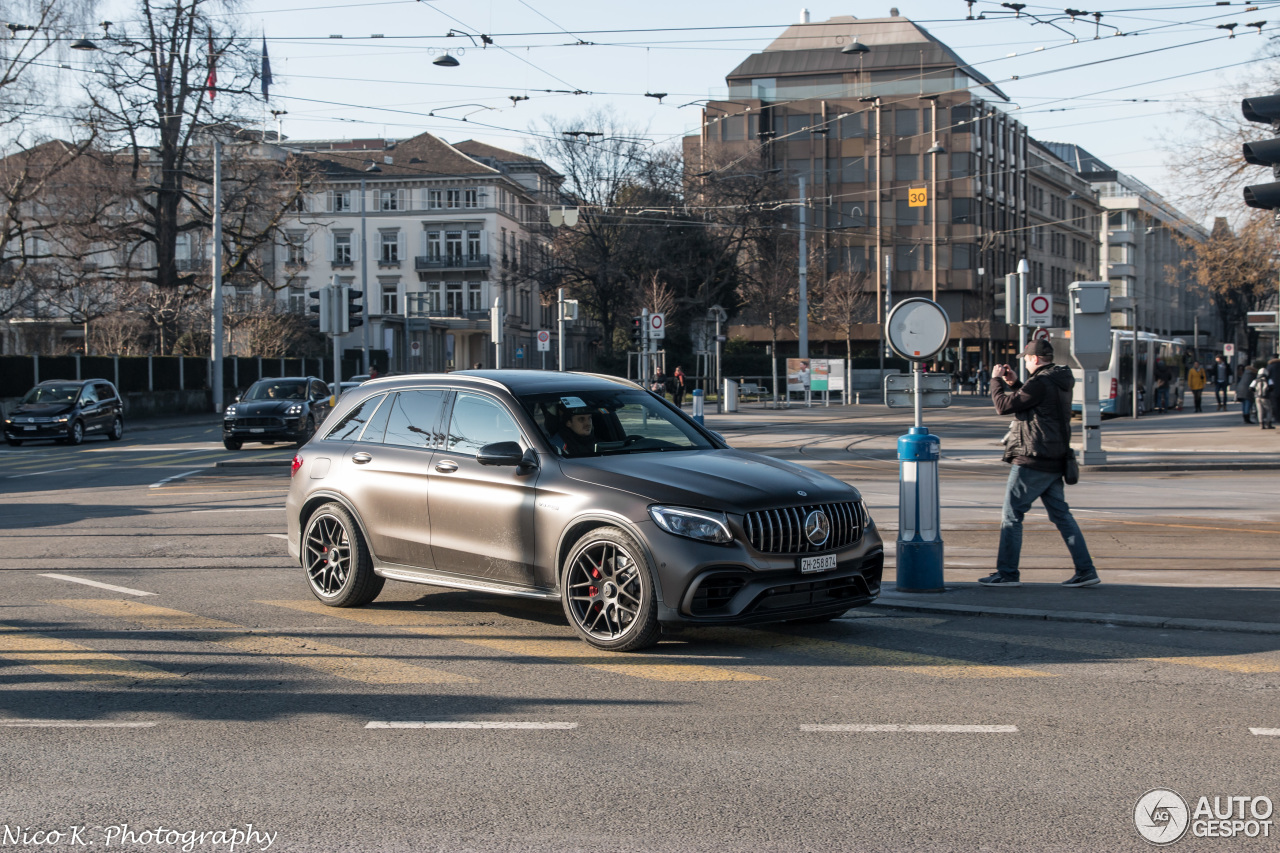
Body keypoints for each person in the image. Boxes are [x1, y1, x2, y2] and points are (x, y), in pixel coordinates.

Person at [981, 338, 1099, 589]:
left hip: (1033, 459)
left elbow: (1004, 406)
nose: (1023, 362)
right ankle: (1086, 570)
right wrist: (1015, 383)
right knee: (1061, 516)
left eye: (1025, 358)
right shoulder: (1056, 380)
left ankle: (1007, 573)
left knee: (1011, 515)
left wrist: (996, 381)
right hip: (1054, 457)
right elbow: (1036, 403)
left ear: (1034, 359)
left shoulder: (1041, 382)